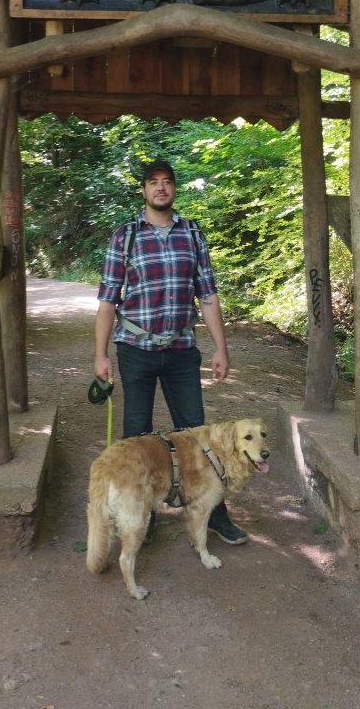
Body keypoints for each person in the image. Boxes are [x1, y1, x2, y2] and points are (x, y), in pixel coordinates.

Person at [93, 158, 247, 545]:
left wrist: (220, 348)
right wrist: (100, 355)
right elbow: (108, 301)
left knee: (198, 435)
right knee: (137, 436)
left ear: (174, 189)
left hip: (181, 350)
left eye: (167, 182)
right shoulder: (125, 236)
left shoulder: (192, 233)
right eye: (152, 182)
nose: (160, 188)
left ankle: (214, 513)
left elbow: (207, 295)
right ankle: (141, 513)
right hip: (135, 350)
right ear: (143, 191)